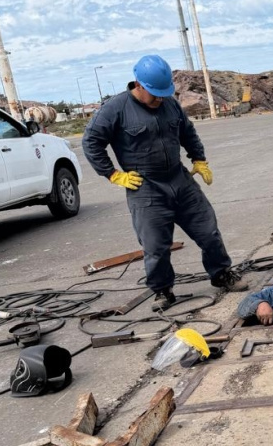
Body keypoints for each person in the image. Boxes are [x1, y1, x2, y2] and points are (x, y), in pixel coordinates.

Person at [82, 55, 247, 311]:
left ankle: (221, 273)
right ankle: (162, 290)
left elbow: (187, 132)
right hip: (145, 186)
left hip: (179, 179)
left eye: (163, 93)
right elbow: (91, 142)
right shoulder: (115, 109)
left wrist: (199, 159)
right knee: (155, 246)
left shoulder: (170, 105)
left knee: (209, 232)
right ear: (138, 85)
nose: (160, 99)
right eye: (155, 94)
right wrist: (113, 174)